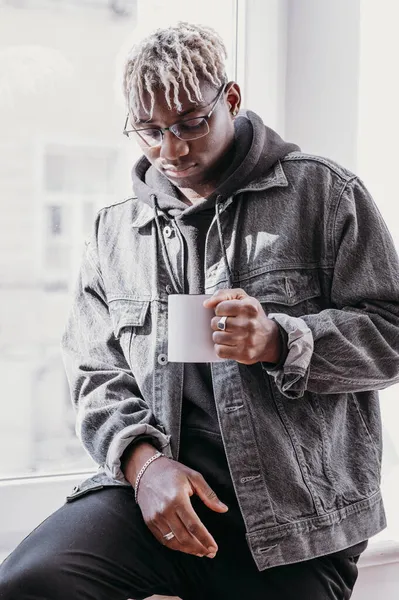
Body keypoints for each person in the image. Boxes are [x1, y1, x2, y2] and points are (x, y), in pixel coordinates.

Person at [1, 21, 399, 600]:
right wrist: (143, 466)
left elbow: (392, 332)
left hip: (297, 519)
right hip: (158, 498)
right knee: (25, 584)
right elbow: (94, 373)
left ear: (230, 99)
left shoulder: (324, 194)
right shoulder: (115, 230)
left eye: (192, 123)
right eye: (150, 131)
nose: (173, 150)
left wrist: (280, 340)